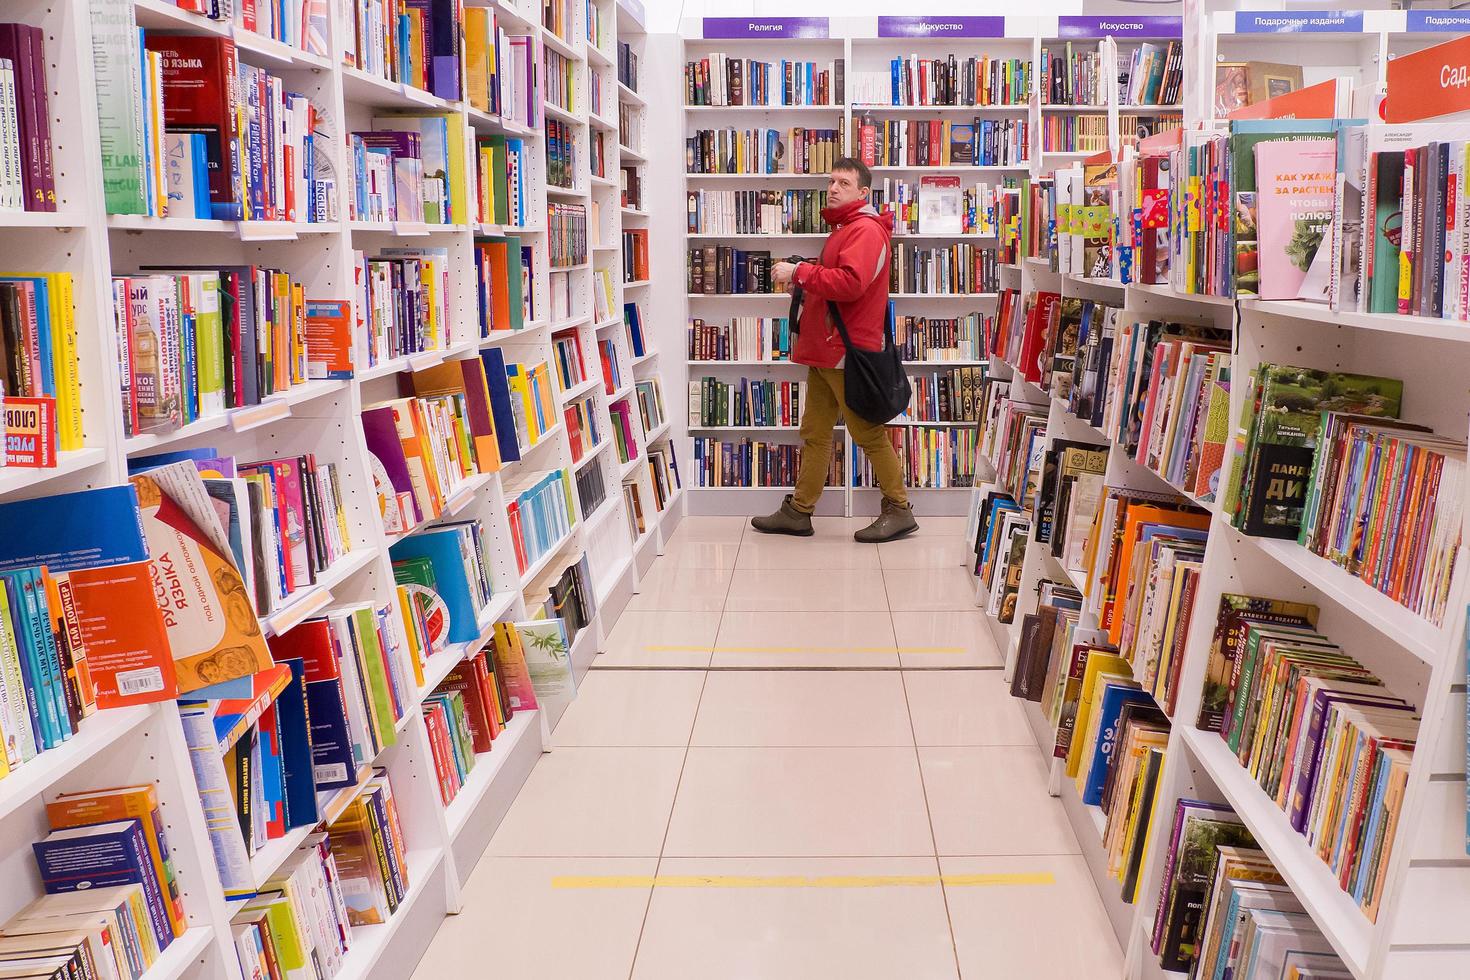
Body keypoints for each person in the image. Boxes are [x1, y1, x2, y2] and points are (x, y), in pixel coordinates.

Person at [750, 158, 918, 543]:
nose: (833, 187)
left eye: (844, 182)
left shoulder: (864, 231)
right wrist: (807, 272)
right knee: (815, 432)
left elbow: (851, 284)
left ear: (863, 193)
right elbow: (838, 281)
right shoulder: (847, 229)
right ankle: (799, 511)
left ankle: (899, 508)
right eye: (831, 181)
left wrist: (800, 274)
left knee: (868, 433)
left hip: (844, 352)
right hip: (827, 351)